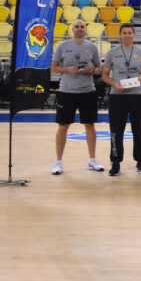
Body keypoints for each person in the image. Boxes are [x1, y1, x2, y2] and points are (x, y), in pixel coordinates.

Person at [50, 19, 104, 175]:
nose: (80, 29)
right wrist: (67, 69)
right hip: (66, 91)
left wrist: (91, 70)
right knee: (63, 126)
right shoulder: (62, 46)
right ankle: (58, 162)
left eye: (82, 26)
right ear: (72, 29)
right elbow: (54, 67)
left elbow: (99, 68)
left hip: (87, 91)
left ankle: (92, 159)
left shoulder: (92, 47)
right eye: (77, 26)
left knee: (90, 125)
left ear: (86, 29)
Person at [101, 23, 141, 177]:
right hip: (118, 96)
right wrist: (114, 84)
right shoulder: (111, 53)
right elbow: (104, 75)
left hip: (138, 95)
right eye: (124, 32)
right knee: (116, 131)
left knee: (139, 130)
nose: (127, 35)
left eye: (130, 32)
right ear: (120, 35)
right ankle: (115, 163)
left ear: (134, 34)